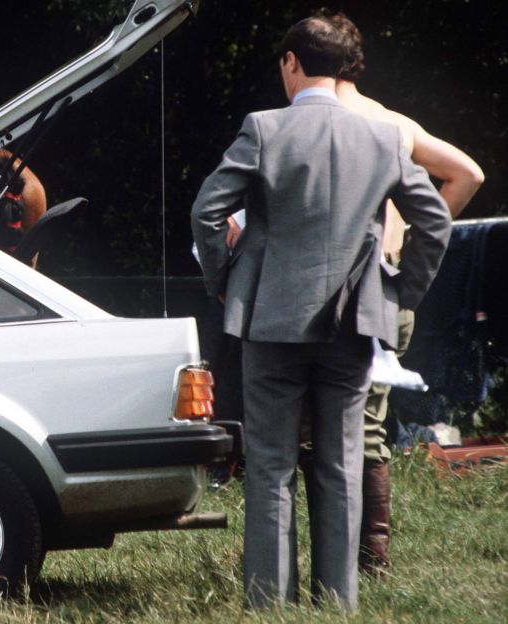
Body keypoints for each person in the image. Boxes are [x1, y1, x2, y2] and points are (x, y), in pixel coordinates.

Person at [191, 17, 452, 611]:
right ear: (344, 68)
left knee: (271, 467)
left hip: (270, 322)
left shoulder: (263, 128)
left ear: (290, 63)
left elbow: (207, 212)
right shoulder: (384, 138)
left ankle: (268, 603)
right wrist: (400, 292)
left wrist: (225, 282)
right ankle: (339, 603)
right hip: (353, 324)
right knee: (340, 463)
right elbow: (434, 223)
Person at [320, 10, 485, 575]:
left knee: (314, 427)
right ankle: (373, 554)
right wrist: (410, 240)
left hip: (329, 293)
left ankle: (342, 557)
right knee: (369, 426)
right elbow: (467, 174)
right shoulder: (393, 121)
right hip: (389, 288)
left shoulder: (314, 119)